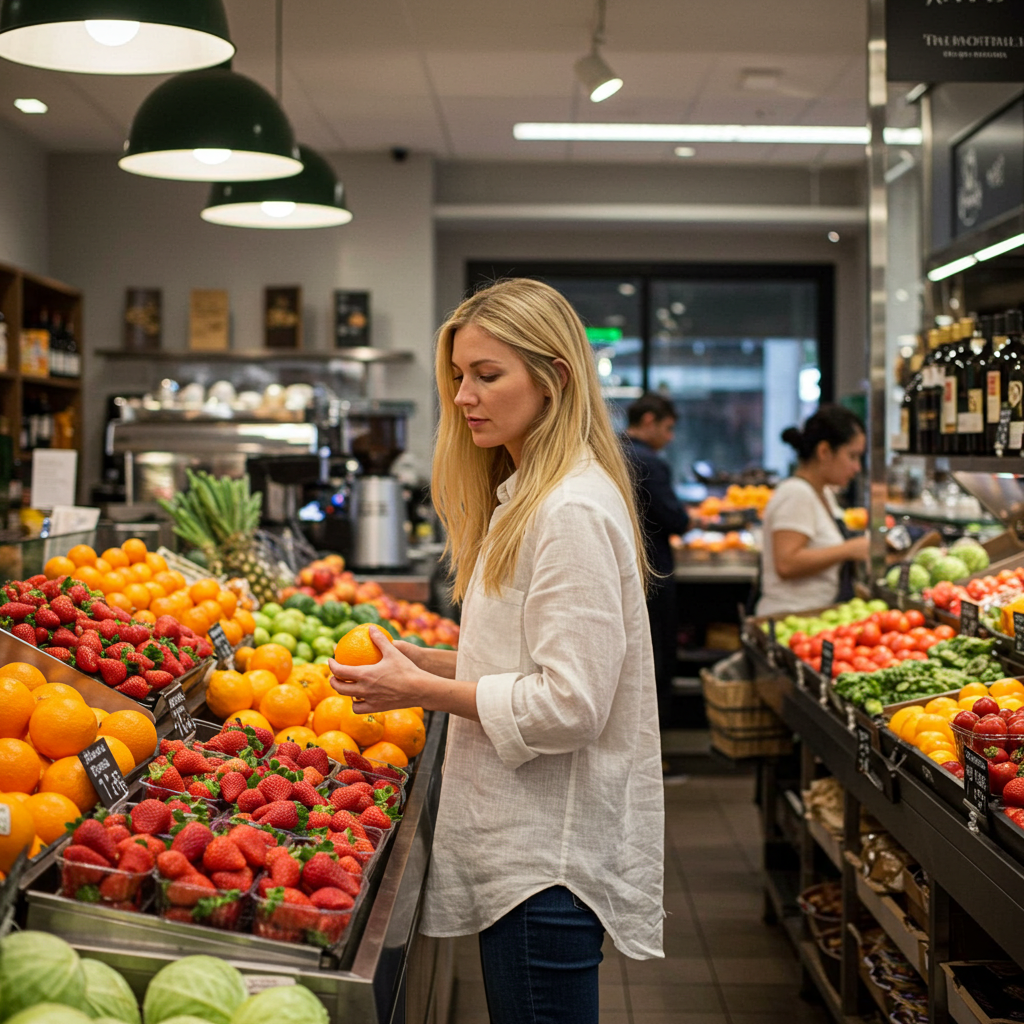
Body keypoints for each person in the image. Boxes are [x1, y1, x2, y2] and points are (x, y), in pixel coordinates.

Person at [329, 278, 665, 1024]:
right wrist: (429, 658)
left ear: (554, 378)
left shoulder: (569, 509)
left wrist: (418, 692)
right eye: (457, 377)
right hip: (530, 855)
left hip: (544, 869)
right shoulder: (533, 492)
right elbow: (529, 656)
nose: (464, 397)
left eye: (488, 375)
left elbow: (571, 704)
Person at [755, 404, 869, 617]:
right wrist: (850, 549)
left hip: (812, 618)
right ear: (824, 451)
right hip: (788, 619)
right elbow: (786, 564)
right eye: (852, 456)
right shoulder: (796, 494)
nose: (857, 468)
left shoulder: (823, 494)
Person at [621, 393, 689, 726]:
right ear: (649, 421)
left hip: (623, 570)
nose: (670, 437)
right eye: (668, 427)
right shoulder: (649, 461)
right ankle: (657, 754)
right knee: (656, 660)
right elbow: (675, 519)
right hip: (653, 573)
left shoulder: (610, 451)